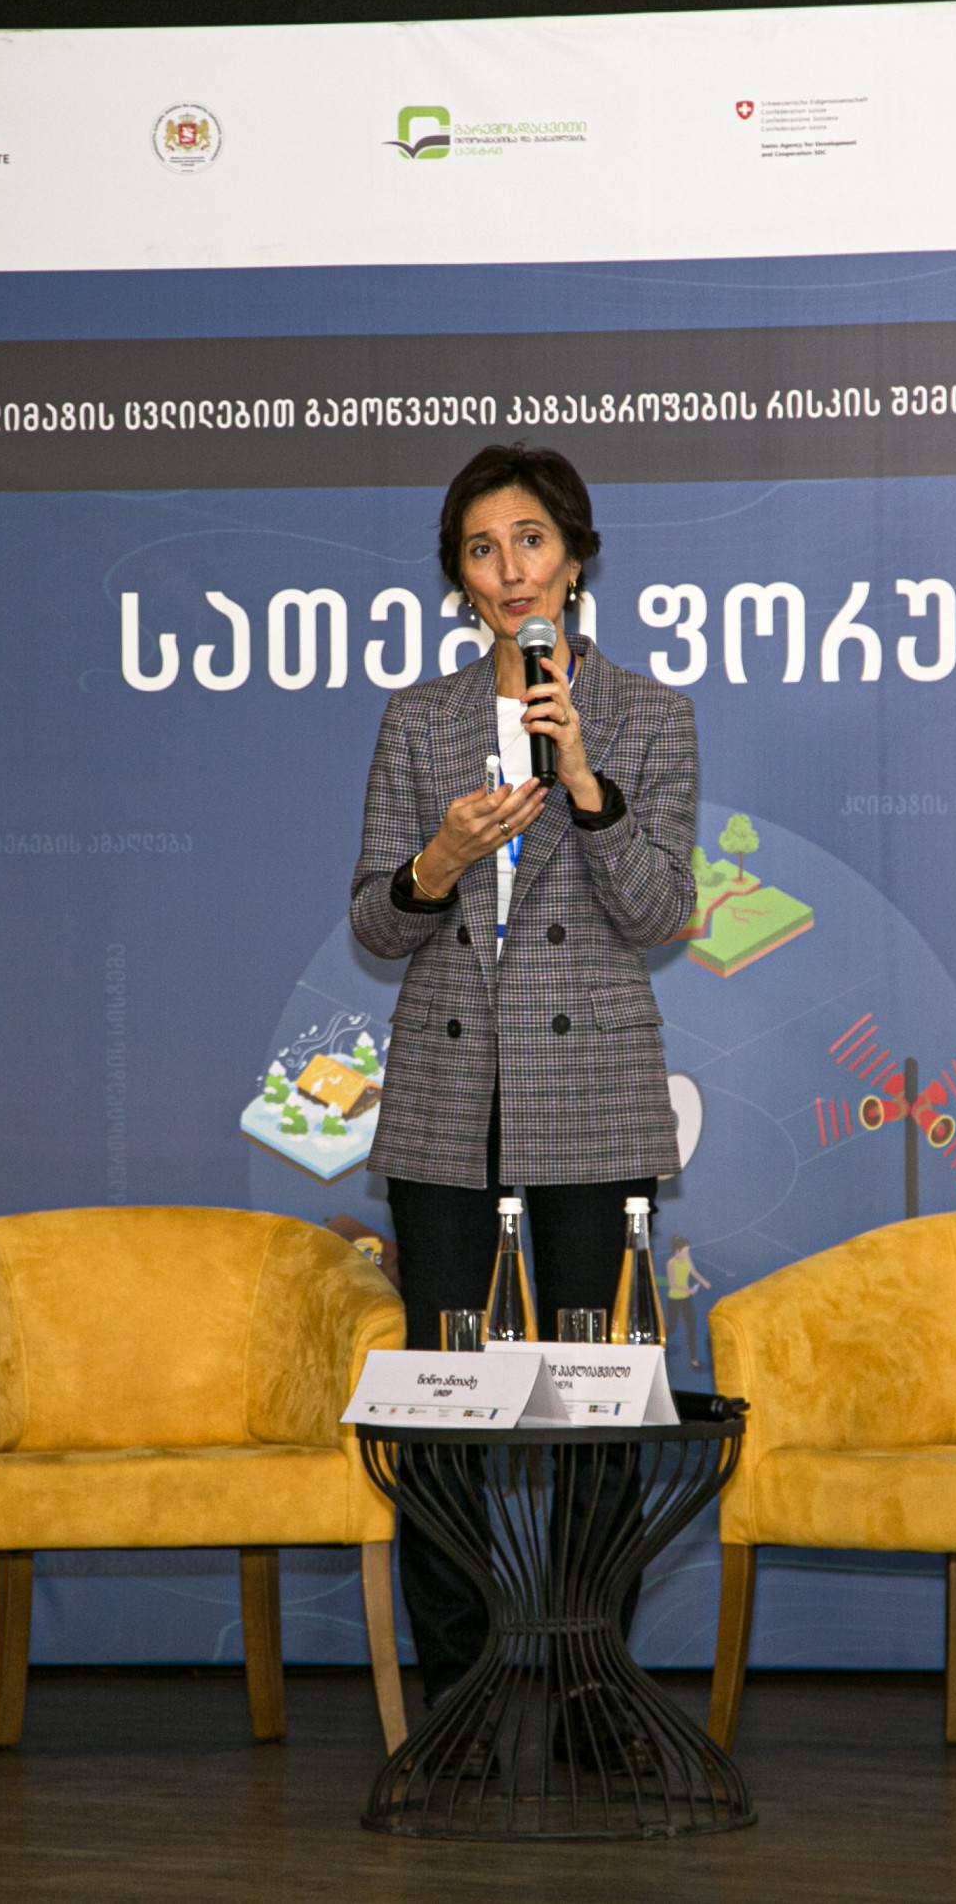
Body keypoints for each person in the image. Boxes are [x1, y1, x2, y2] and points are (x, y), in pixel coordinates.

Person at [348, 443, 698, 1716]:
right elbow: (375, 923)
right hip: (447, 1102)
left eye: (531, 541)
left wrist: (588, 787)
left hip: (592, 1094)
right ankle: (457, 1701)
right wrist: (436, 860)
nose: (510, 570)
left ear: (576, 556)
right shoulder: (418, 719)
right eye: (482, 548)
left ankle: (594, 1696)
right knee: (446, 1414)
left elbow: (661, 911)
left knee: (598, 1412)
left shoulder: (650, 715)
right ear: (459, 575)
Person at [663, 1234, 711, 1369]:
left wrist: (704, 1282)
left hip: (686, 1299)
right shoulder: (670, 1263)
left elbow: (693, 1272)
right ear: (677, 1252)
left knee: (691, 1328)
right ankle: (656, 1342)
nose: (687, 1254)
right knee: (672, 1327)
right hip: (674, 1300)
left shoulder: (687, 1259)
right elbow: (672, 1284)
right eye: (685, 1251)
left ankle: (693, 1359)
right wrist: (688, 1290)